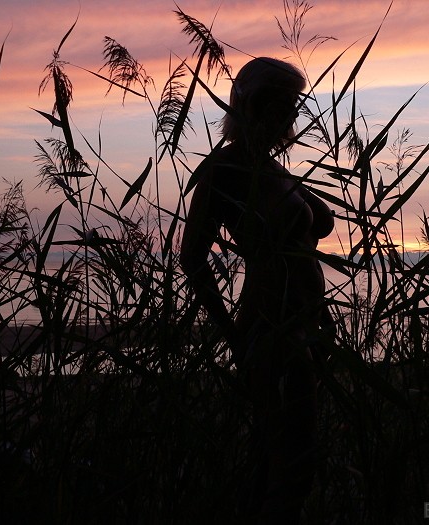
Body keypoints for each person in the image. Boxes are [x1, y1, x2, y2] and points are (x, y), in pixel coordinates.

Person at [179, 57, 335, 524]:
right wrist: (233, 335)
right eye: (282, 105)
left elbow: (314, 230)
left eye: (293, 106)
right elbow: (192, 258)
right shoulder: (223, 169)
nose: (291, 117)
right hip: (270, 327)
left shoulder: (269, 168)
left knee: (284, 463)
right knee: (289, 465)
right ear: (252, 105)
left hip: (303, 325)